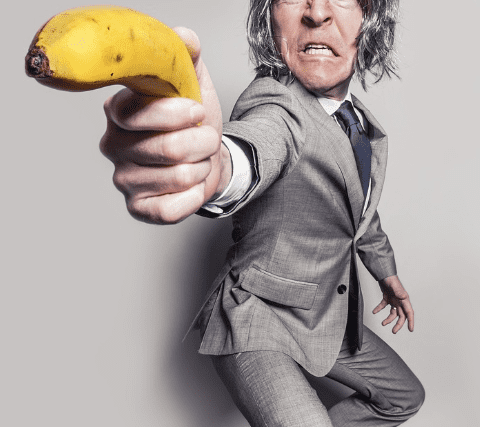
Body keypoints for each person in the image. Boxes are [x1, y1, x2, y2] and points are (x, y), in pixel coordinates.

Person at [99, 0, 425, 425]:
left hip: (322, 313)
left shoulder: (357, 122)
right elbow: (257, 147)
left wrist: (386, 274)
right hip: (255, 316)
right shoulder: (275, 104)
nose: (317, 13)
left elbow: (359, 211)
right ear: (270, 20)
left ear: (370, 20)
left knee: (403, 397)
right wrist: (214, 168)